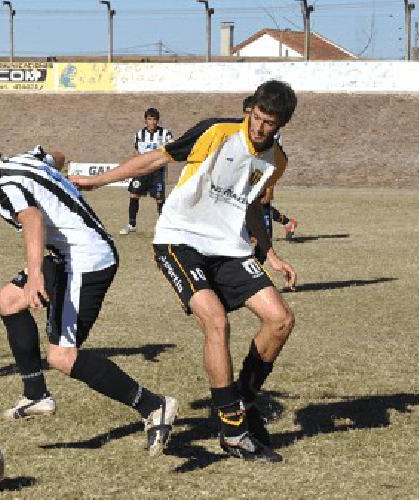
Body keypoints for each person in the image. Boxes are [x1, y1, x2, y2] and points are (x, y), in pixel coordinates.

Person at [70, 79, 300, 462]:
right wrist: (97, 180)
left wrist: (271, 252)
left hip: (228, 246)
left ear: (281, 125)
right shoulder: (217, 132)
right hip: (180, 238)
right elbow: (156, 159)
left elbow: (253, 203)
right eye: (257, 118)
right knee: (216, 322)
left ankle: (241, 400)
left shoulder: (277, 160)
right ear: (250, 110)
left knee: (280, 320)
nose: (259, 128)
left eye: (269, 123)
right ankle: (232, 432)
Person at [0, 132, 179, 457]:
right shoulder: (22, 160)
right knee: (9, 300)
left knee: (62, 356)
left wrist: (35, 272)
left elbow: (32, 219)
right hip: (68, 255)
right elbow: (58, 156)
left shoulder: (4, 186)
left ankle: (154, 405)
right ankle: (36, 394)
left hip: (85, 260)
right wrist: (55, 187)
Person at [242, 95, 298, 244]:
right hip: (248, 170)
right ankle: (285, 223)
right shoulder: (243, 130)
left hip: (261, 170)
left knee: (260, 201)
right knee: (247, 201)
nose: (249, 117)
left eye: (250, 113)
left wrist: (270, 187)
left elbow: (272, 159)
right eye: (247, 114)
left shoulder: (271, 133)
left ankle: (265, 238)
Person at [118, 108, 174, 235]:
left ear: (157, 121)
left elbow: (170, 151)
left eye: (154, 119)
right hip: (141, 171)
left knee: (159, 199)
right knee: (134, 195)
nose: (152, 122)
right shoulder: (139, 134)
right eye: (149, 119)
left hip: (157, 171)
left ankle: (164, 227)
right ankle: (132, 224)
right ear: (145, 120)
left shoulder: (166, 134)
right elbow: (137, 153)